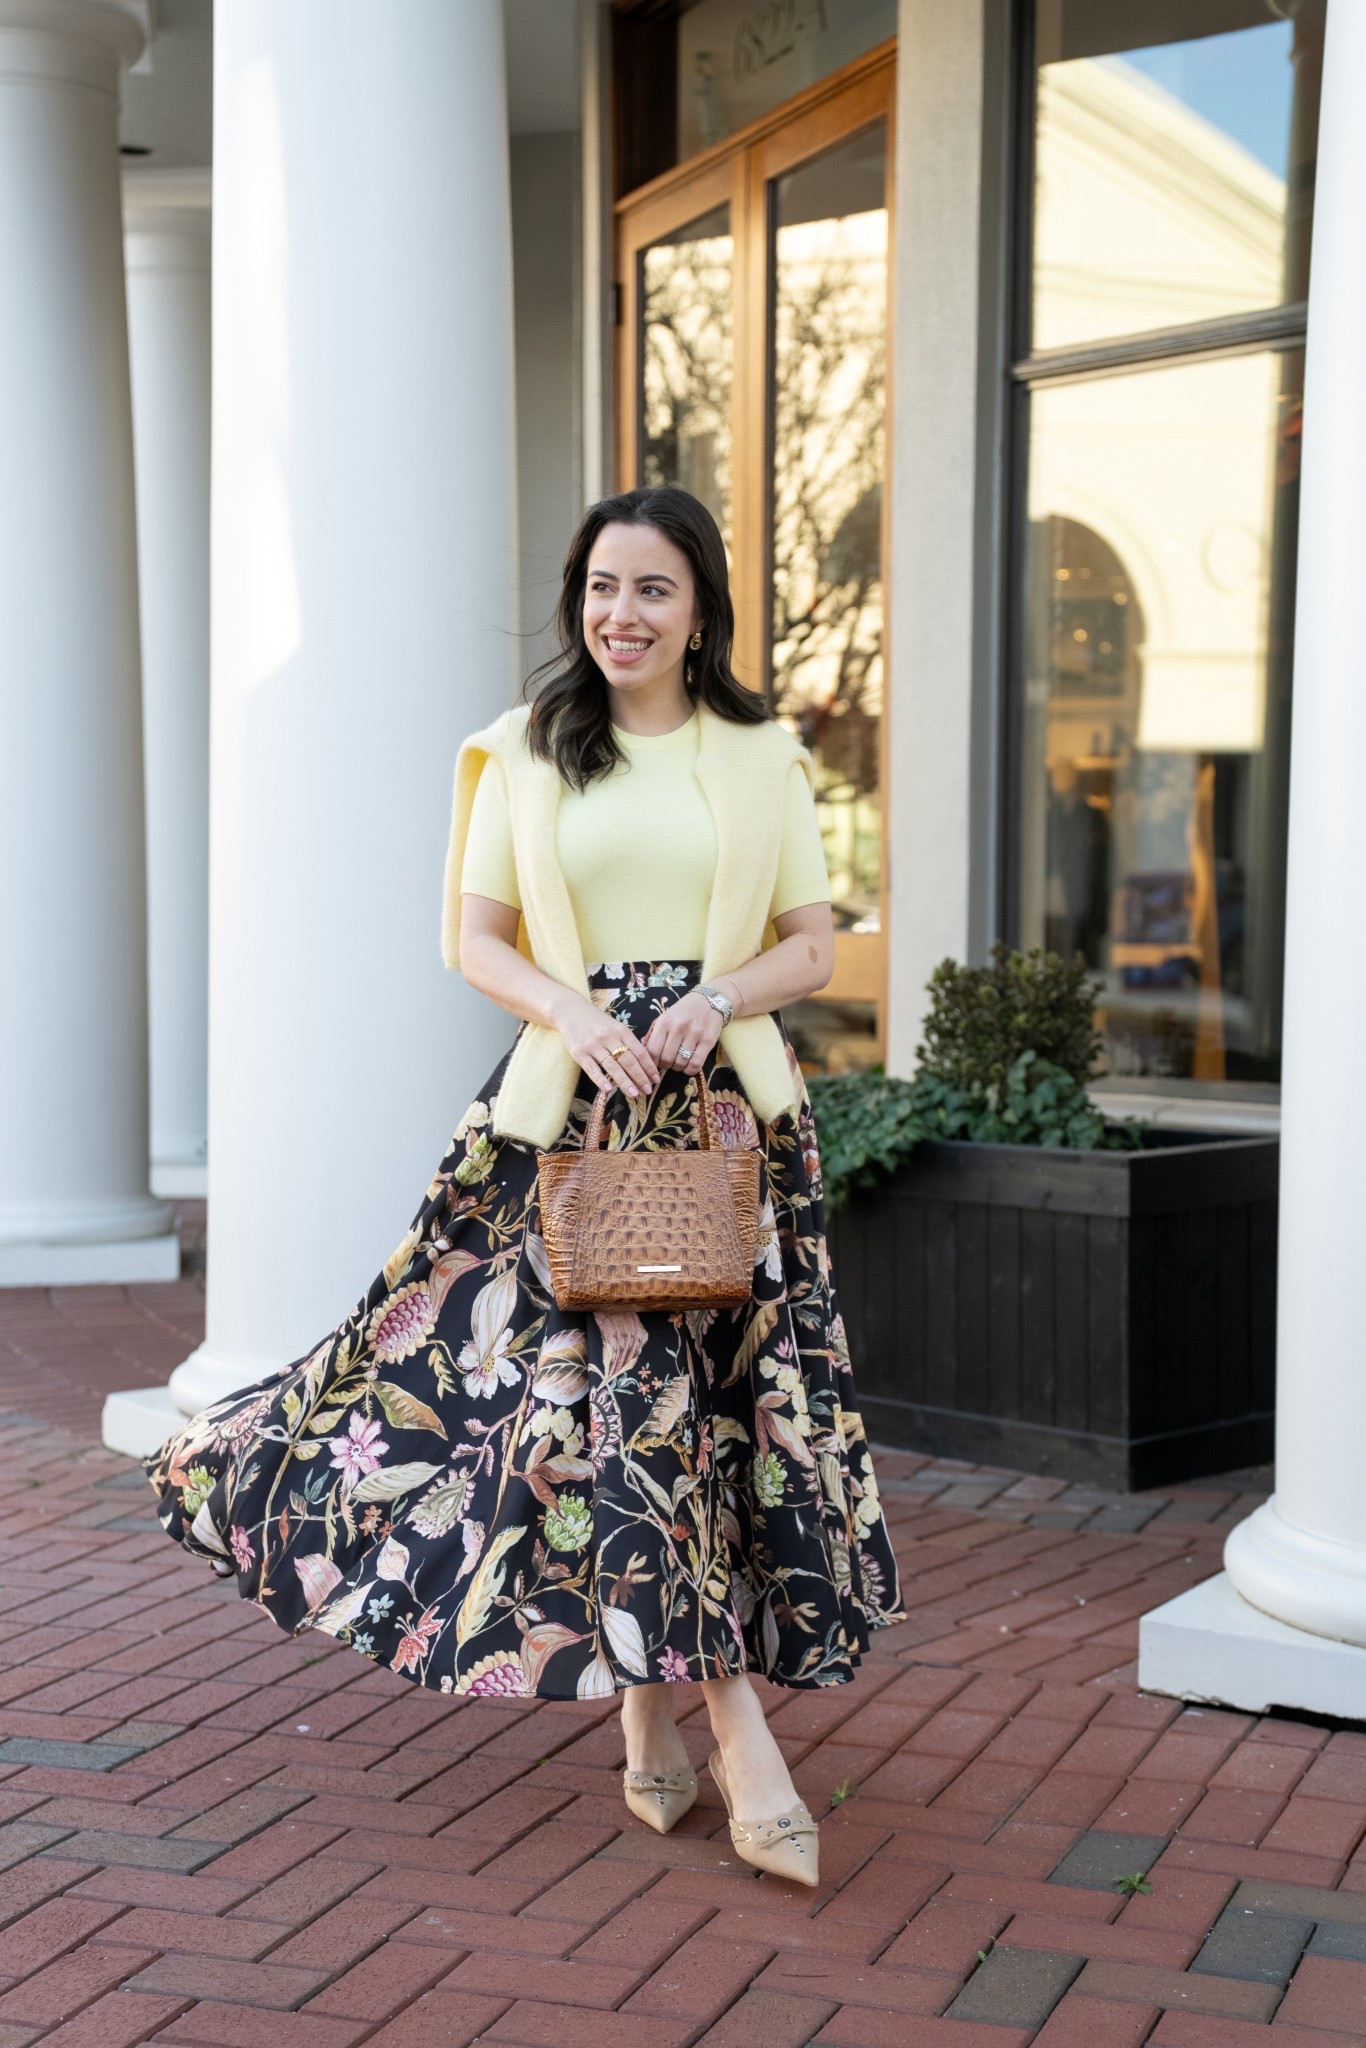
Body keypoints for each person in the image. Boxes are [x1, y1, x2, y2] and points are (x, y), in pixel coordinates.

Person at [147, 485, 903, 1888]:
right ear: (578, 602)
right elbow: (474, 938)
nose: (622, 613)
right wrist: (575, 1011)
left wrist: (714, 993)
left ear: (701, 611)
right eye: (601, 587)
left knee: (705, 1428)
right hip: (571, 1124)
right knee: (609, 1422)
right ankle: (738, 1738)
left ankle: (645, 1718)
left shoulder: (759, 756)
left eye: (653, 590)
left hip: (725, 1128)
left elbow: (812, 941)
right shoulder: (523, 755)